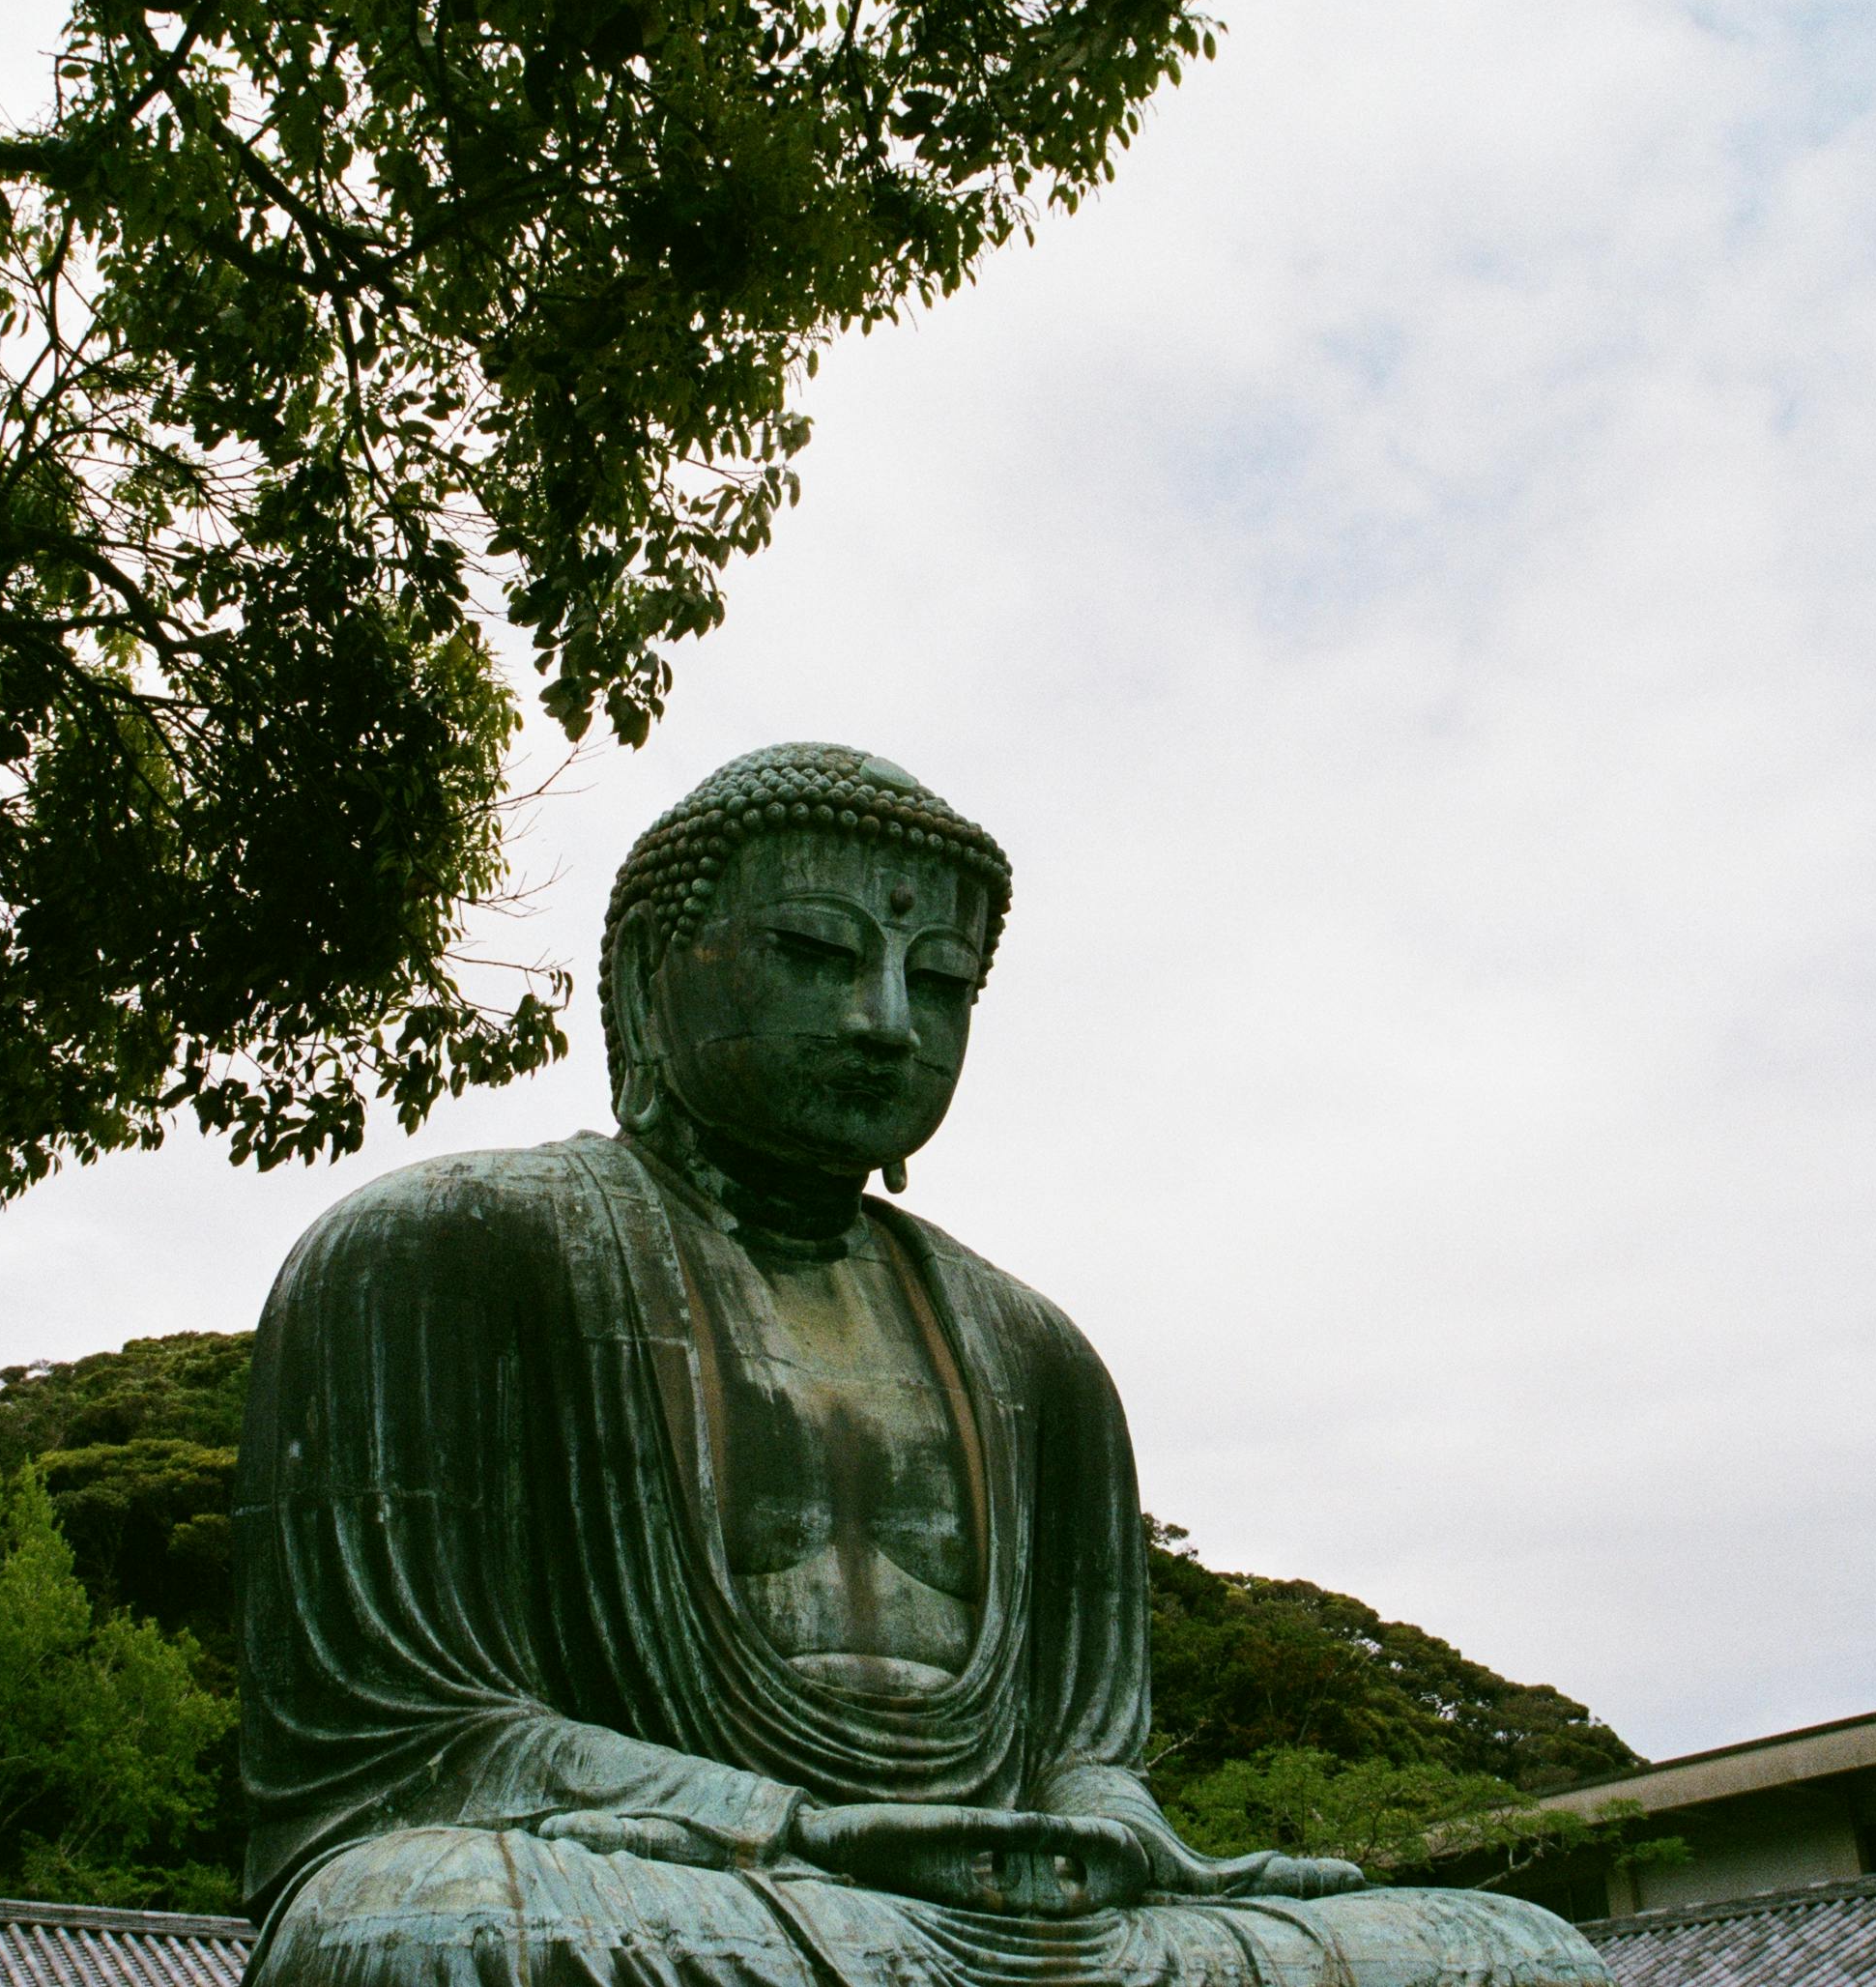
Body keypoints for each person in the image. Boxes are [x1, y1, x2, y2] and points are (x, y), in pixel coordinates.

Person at [234, 744, 1609, 1987]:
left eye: (940, 982)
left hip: (1020, 1923)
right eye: (820, 956)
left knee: (1515, 1957)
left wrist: (1111, 1841)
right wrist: (789, 1823)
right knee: (405, 1933)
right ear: (659, 965)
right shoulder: (445, 1249)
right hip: (698, 1892)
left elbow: (1082, 1749)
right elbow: (402, 1742)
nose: (888, 1021)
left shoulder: (1032, 1349)